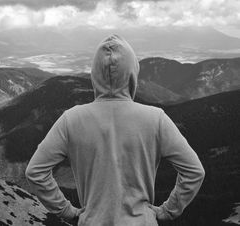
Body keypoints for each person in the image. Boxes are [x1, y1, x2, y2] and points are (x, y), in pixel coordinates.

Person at [25, 34, 205, 226]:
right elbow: (194, 171)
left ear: (94, 74)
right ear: (132, 74)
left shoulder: (71, 119)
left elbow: (35, 172)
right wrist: (167, 212)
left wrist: (67, 211)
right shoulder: (156, 118)